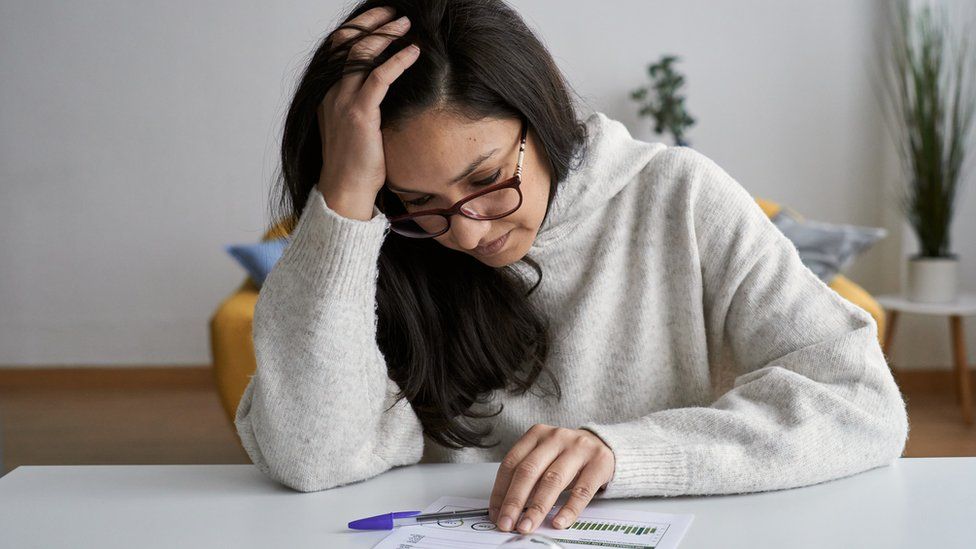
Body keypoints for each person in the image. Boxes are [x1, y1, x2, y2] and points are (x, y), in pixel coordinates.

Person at [234, 0, 909, 537]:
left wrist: (622, 453)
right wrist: (347, 204)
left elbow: (861, 404)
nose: (467, 232)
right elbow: (312, 456)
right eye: (420, 203)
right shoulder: (382, 240)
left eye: (488, 178)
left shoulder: (680, 197)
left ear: (541, 113)